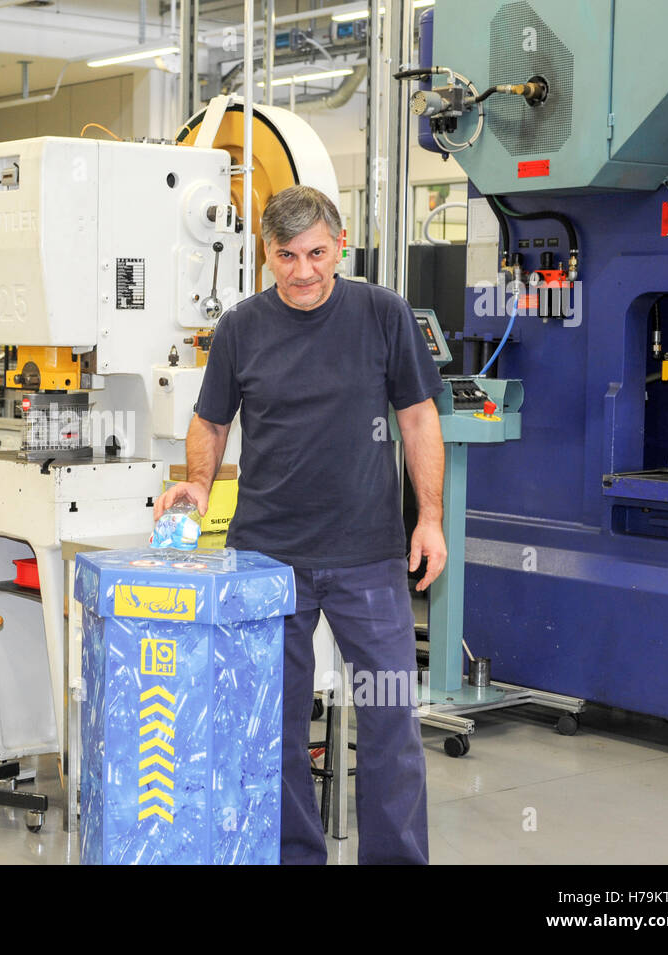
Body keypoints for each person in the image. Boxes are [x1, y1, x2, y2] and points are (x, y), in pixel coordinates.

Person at [156, 185, 446, 865]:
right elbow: (211, 419)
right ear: (267, 253)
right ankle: (291, 856)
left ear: (340, 246)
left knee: (391, 723)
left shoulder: (382, 313)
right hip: (265, 561)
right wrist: (198, 482)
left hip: (369, 557)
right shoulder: (241, 325)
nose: (303, 270)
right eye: (286, 255)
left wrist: (429, 517)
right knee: (272, 727)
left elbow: (418, 417)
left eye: (316, 252)